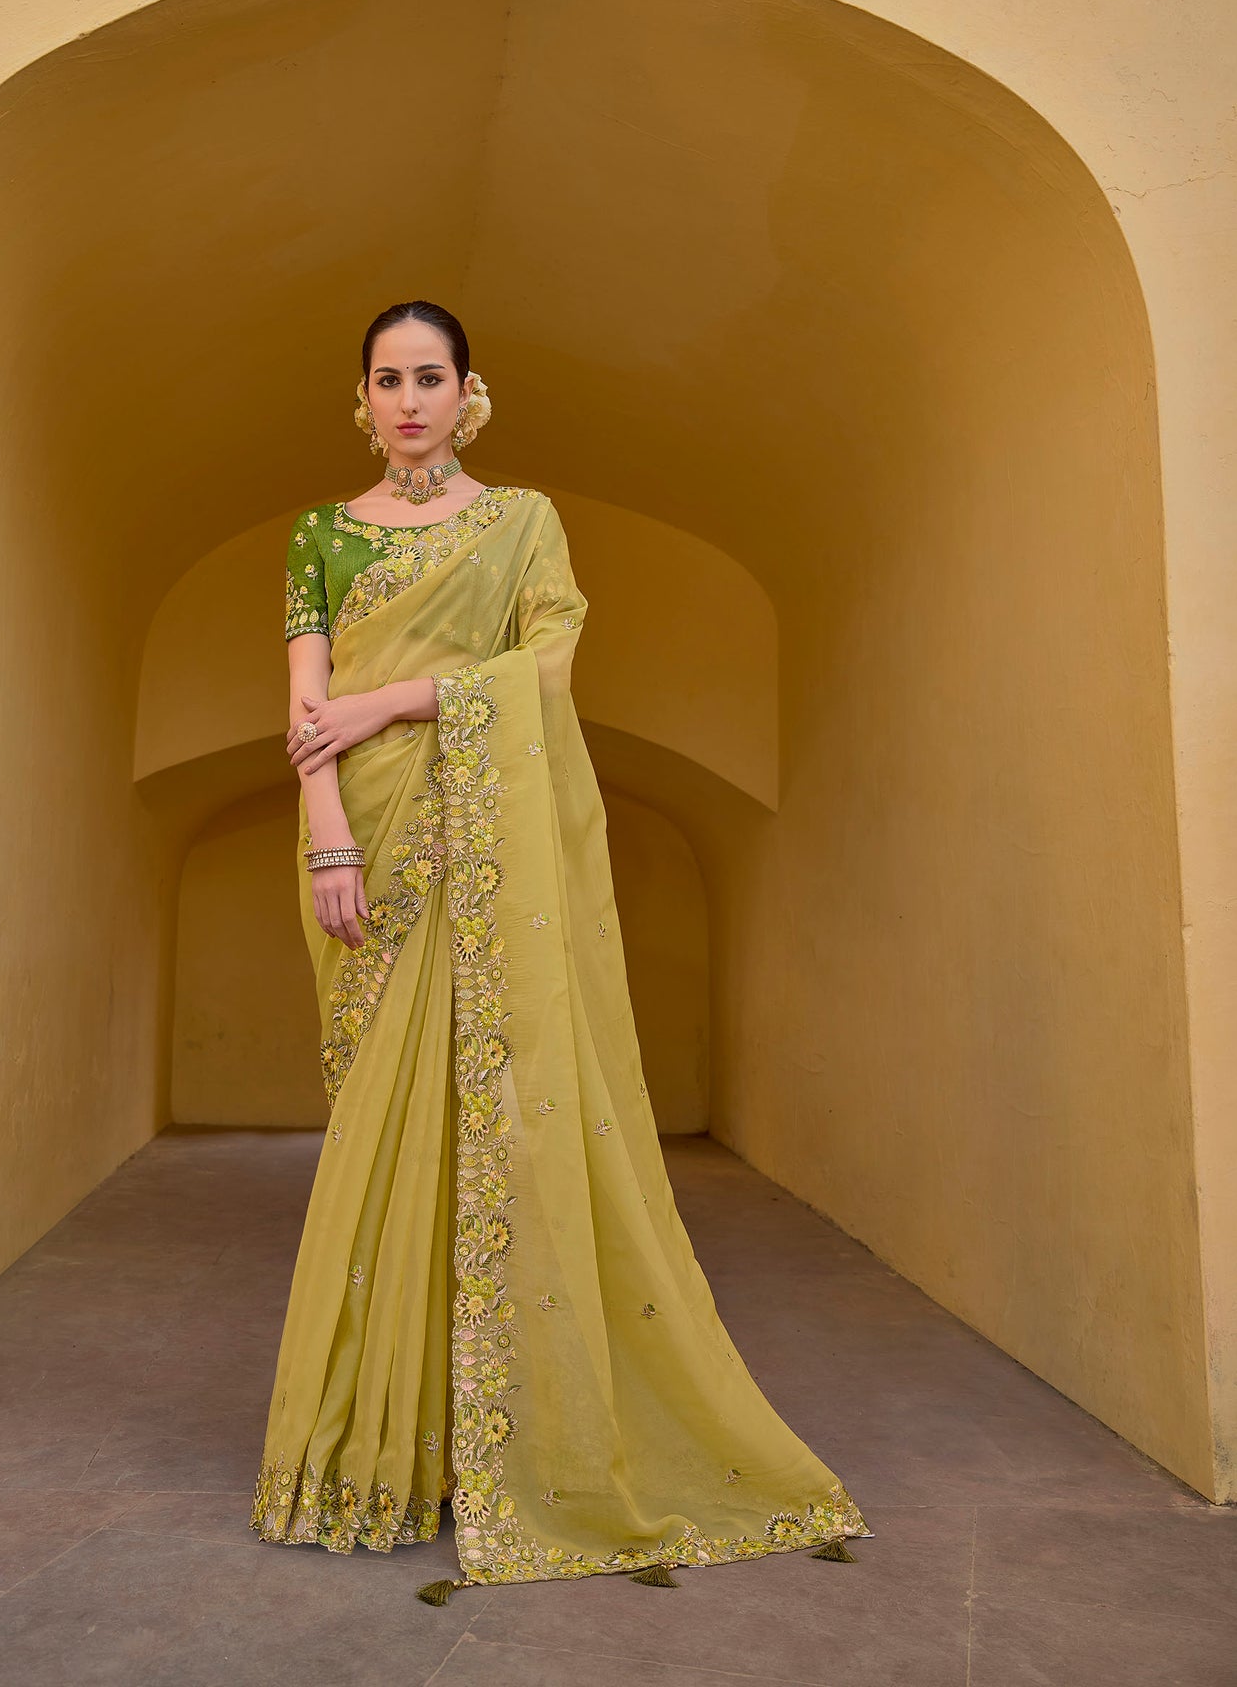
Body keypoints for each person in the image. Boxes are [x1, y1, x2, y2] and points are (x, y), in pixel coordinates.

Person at [250, 300, 868, 1596]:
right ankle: (363, 1456)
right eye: (386, 380)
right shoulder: (321, 531)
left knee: (493, 1124)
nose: (407, 399)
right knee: (376, 1123)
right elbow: (305, 705)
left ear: (468, 392)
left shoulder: (521, 521)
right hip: (367, 833)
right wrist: (328, 840)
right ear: (358, 400)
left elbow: (542, 665)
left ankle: (488, 1447)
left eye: (430, 377)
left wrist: (401, 695)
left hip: (483, 841)